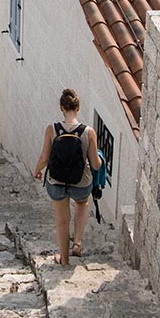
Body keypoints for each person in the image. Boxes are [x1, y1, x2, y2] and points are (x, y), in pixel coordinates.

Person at [33, 88, 98, 265]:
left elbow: (45, 157)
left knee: (62, 220)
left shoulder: (52, 129)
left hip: (57, 181)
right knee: (82, 203)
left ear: (61, 107)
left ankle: (64, 259)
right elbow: (96, 164)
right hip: (81, 182)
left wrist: (37, 170)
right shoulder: (88, 132)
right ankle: (77, 243)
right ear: (78, 108)